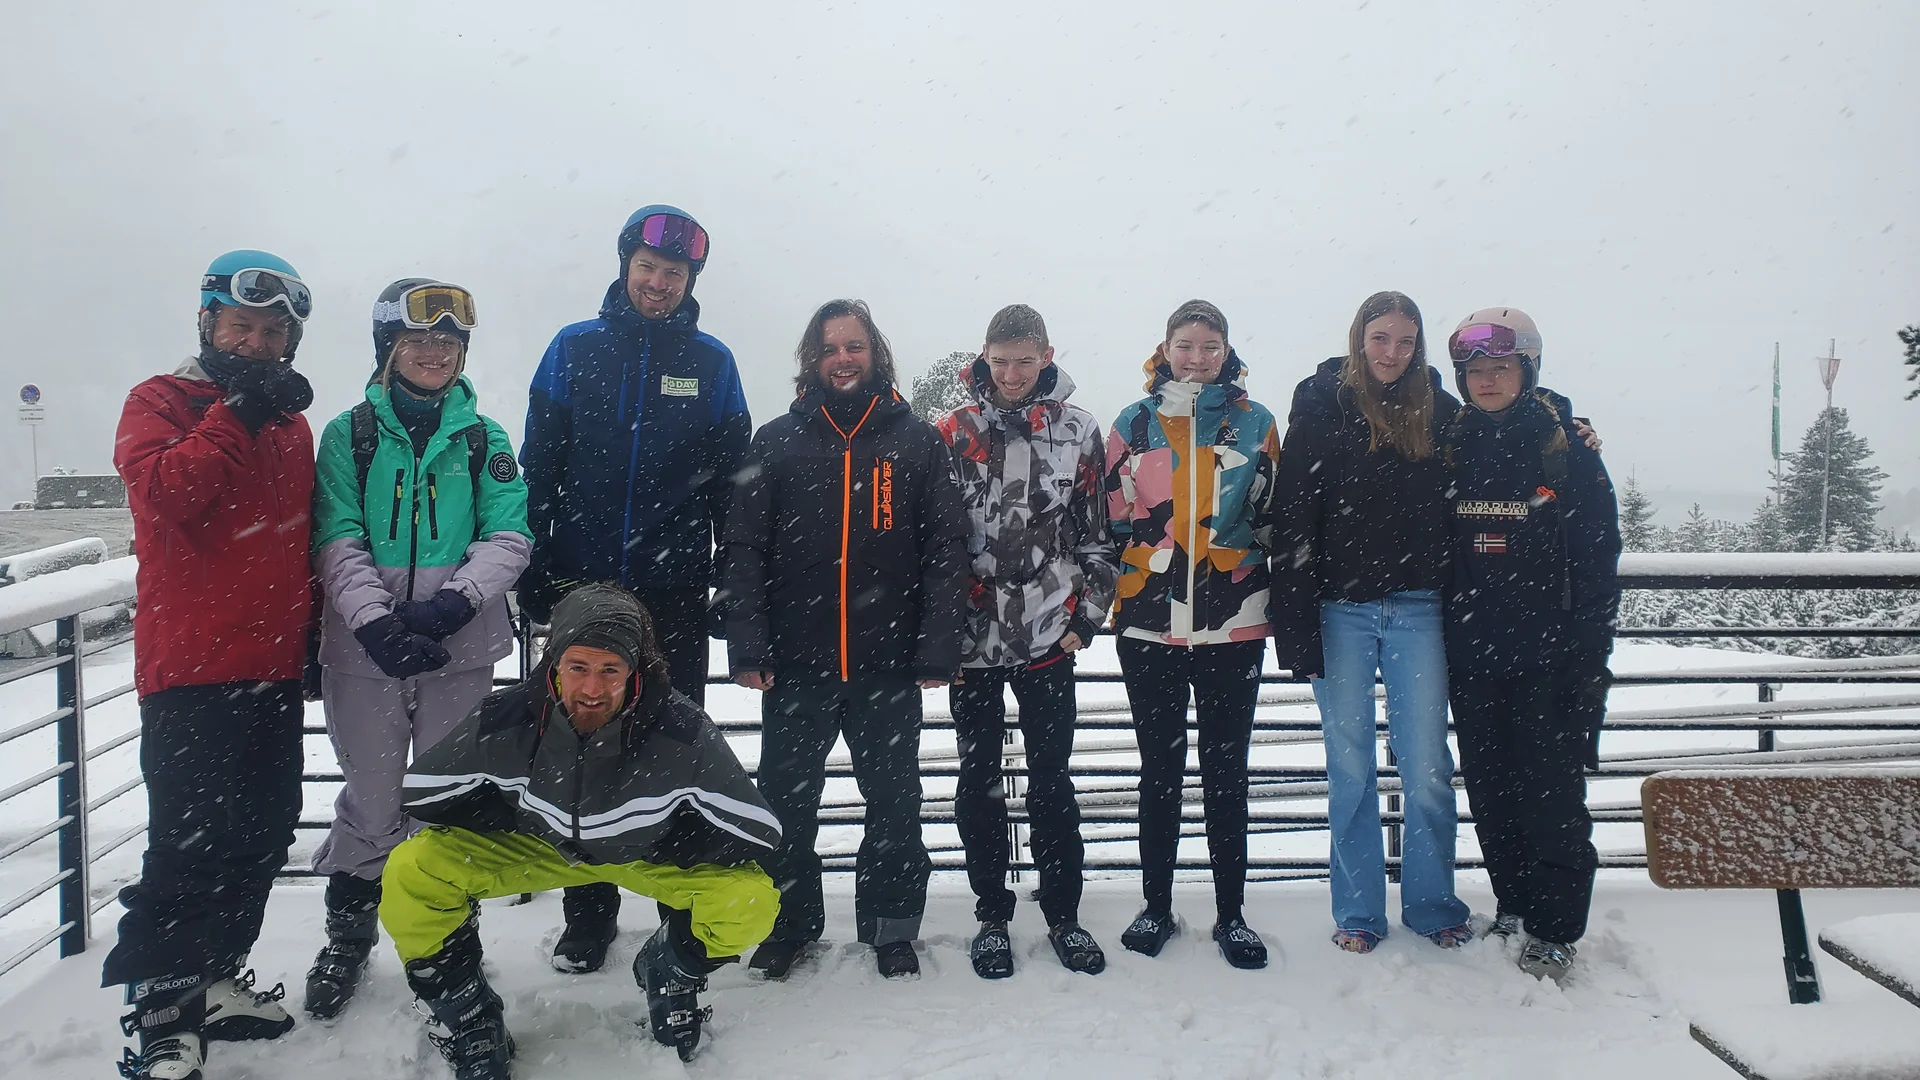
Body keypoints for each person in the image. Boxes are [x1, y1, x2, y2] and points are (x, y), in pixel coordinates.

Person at [380, 585, 781, 1075]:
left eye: (610, 669)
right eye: (578, 667)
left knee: (749, 900)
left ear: (635, 669)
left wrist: (665, 841)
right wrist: (511, 816)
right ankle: (466, 1011)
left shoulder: (680, 728)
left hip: (640, 856)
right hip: (537, 848)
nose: (593, 688)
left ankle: (671, 969)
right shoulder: (507, 716)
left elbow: (755, 829)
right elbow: (425, 790)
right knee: (413, 869)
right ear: (554, 663)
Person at [518, 204, 751, 971]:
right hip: (583, 588)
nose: (659, 283)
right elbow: (539, 465)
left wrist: (730, 573)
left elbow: (735, 483)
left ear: (690, 281)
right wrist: (534, 563)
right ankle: (588, 916)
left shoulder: (713, 364)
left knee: (672, 748)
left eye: (674, 273)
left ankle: (678, 910)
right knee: (580, 746)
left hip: (673, 591)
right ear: (626, 265)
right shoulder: (573, 348)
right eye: (648, 267)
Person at [105, 250, 318, 1080]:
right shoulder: (158, 401)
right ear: (208, 323)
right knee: (188, 844)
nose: (258, 344)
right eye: (242, 326)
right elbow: (166, 494)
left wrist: (315, 638)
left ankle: (217, 979)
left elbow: (299, 539)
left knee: (262, 833)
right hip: (191, 666)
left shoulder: (294, 427)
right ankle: (163, 1016)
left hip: (273, 666)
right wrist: (236, 411)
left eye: (273, 333)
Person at [303, 280, 532, 1018]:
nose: (435, 352)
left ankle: (446, 946)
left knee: (445, 807)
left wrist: (451, 605)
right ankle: (347, 940)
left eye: (448, 342)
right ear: (388, 348)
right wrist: (375, 623)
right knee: (372, 802)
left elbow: (509, 534)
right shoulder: (349, 436)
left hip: (458, 651)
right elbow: (336, 534)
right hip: (361, 654)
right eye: (418, 340)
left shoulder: (484, 438)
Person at [725, 299, 970, 980]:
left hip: (887, 663)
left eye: (854, 346)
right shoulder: (776, 441)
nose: (843, 359)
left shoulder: (916, 441)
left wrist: (938, 644)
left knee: (894, 801)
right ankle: (787, 924)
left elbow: (946, 549)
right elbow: (743, 548)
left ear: (875, 354)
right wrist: (747, 643)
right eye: (831, 348)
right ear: (813, 359)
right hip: (795, 665)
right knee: (785, 801)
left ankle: (891, 926)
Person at [1271, 290, 1473, 954]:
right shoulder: (1320, 407)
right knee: (1350, 768)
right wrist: (1296, 623)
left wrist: (1567, 426)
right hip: (1340, 611)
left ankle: (1432, 905)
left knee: (1428, 767)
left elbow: (1499, 456)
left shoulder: (1440, 411)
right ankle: (1358, 912)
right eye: (1381, 337)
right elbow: (1294, 515)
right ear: (1360, 338)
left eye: (1405, 341)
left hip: (1420, 608)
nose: (1392, 352)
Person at [935, 304, 1119, 979]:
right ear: (984, 357)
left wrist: (1084, 620)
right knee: (978, 783)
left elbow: (1099, 537)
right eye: (1000, 361)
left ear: (1046, 356)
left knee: (1052, 783)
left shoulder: (1078, 430)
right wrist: (941, 636)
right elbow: (933, 544)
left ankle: (1064, 914)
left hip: (1048, 637)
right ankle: (992, 915)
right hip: (972, 643)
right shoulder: (951, 432)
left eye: (1024, 360)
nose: (1011, 374)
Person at [1442, 307, 1620, 983]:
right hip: (1473, 656)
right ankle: (1514, 904)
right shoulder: (1452, 442)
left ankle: (1556, 927)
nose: (1487, 380)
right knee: (1491, 793)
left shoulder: (1565, 448)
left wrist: (1589, 654)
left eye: (1501, 367)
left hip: (1551, 657)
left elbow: (1598, 558)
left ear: (1528, 369)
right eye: (1475, 371)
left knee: (1552, 795)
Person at [1104, 299, 1281, 970]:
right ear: (1166, 348)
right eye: (1185, 345)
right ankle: (1156, 906)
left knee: (1227, 771)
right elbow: (1112, 519)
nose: (1197, 357)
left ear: (1226, 352)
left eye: (1210, 346)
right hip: (1149, 624)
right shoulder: (1134, 423)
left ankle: (1231, 913)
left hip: (1233, 622)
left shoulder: (1256, 423)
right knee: (1160, 771)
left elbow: (1273, 516)